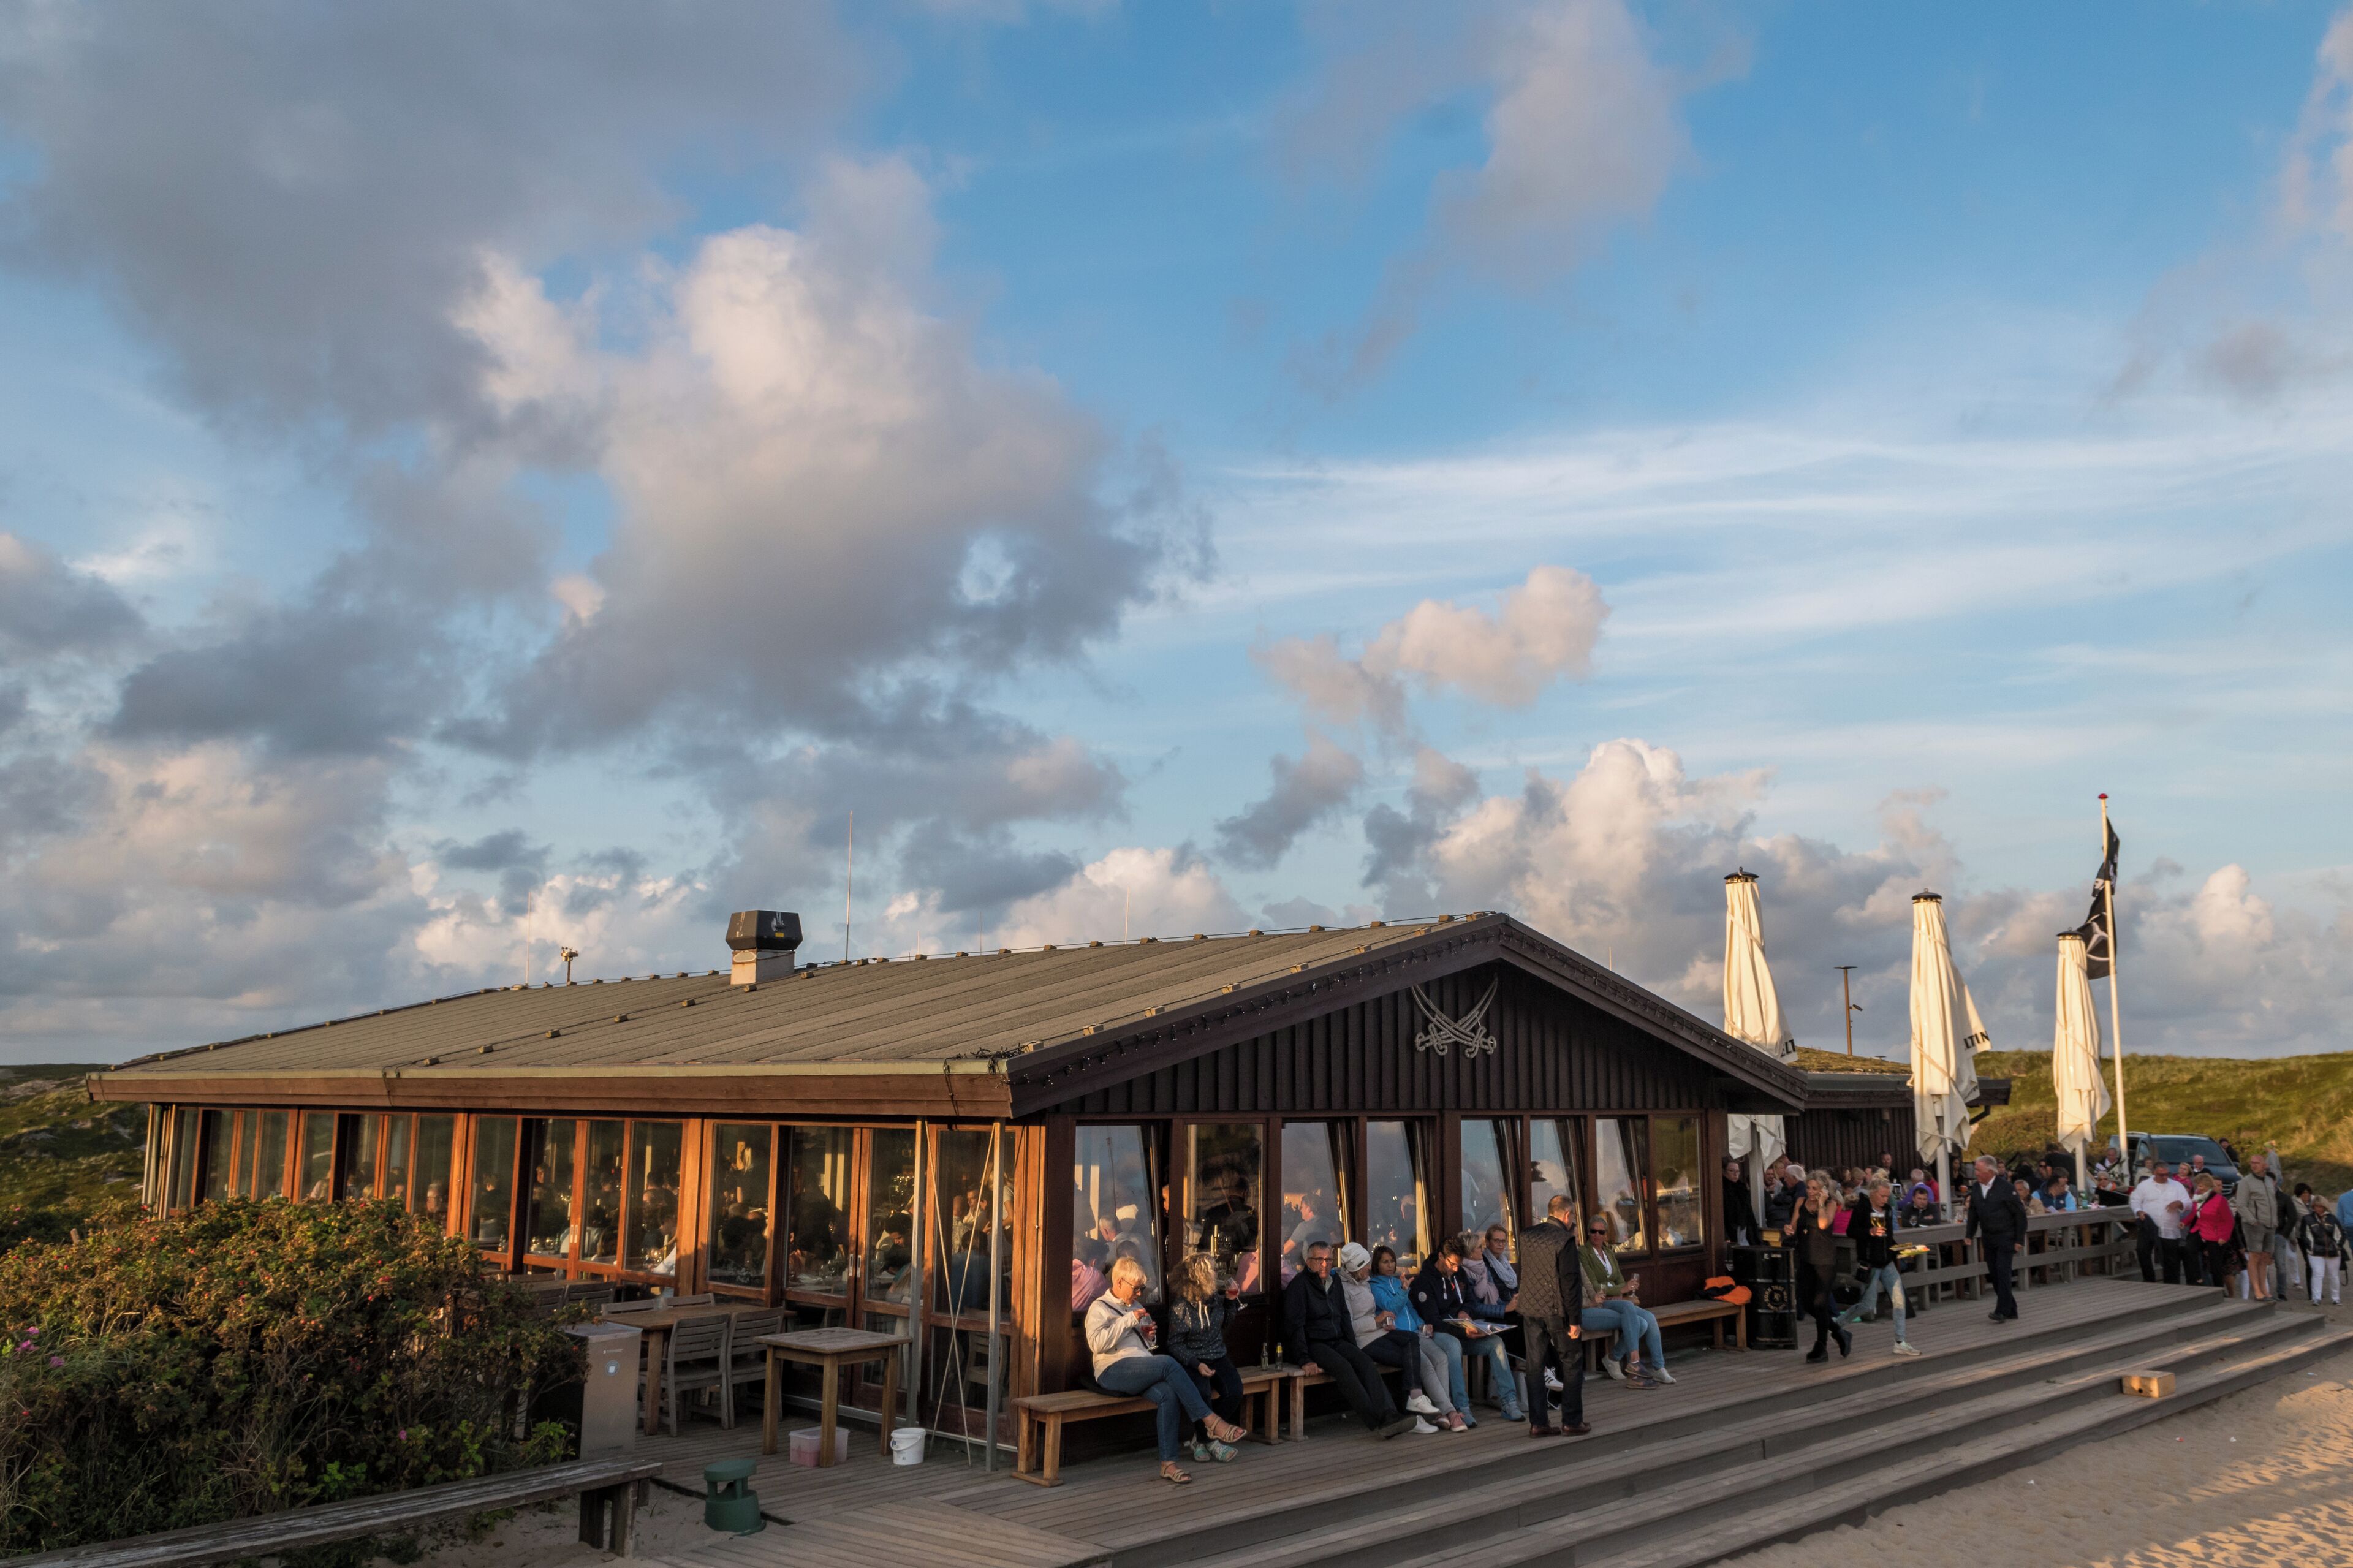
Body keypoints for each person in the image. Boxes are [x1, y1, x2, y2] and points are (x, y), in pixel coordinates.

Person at [1087, 1256, 1249, 1484]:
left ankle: (1169, 1464)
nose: (1140, 1294)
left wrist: (1148, 1336)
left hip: (1140, 1366)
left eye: (1142, 1288)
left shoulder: (1137, 1307)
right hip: (1112, 1370)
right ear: (1120, 1282)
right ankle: (1210, 1421)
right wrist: (1127, 1322)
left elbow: (1147, 1346)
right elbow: (1096, 1345)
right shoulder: (1100, 1308)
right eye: (1136, 1288)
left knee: (1168, 1395)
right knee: (1167, 1363)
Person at [1284, 1241, 1417, 1439]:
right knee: (1344, 1368)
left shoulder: (1334, 1282)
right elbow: (1296, 1326)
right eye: (1319, 1260)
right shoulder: (1299, 1286)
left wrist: (1353, 1347)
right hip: (1315, 1343)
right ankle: (1376, 1422)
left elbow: (1344, 1316)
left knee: (1363, 1361)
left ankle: (1389, 1413)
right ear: (1308, 1261)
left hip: (1337, 1339)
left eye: (1328, 1259)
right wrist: (1304, 1359)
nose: (1324, 1264)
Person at [1408, 1238, 1525, 1422]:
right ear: (1441, 1256)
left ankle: (1509, 1402)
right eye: (1452, 1264)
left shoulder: (1460, 1274)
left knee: (1497, 1344)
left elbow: (1471, 1302)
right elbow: (1433, 1320)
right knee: (1454, 1346)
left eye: (1459, 1264)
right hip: (1440, 1334)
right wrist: (1464, 1332)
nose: (1455, 1269)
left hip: (1464, 1328)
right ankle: (1462, 1406)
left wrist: (1465, 1311)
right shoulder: (1424, 1282)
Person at [1336, 1242, 1444, 1433]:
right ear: (1353, 1269)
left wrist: (1383, 1321)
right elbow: (1349, 1327)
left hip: (1378, 1332)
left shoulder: (1363, 1282)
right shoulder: (1343, 1290)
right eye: (1364, 1266)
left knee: (1411, 1340)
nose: (1368, 1269)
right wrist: (1377, 1320)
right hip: (1363, 1341)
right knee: (1408, 1359)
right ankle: (1412, 1417)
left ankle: (1415, 1398)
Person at [1370, 1244, 1472, 1428]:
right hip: (1400, 1337)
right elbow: (1390, 1307)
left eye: (1393, 1261)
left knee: (1441, 1358)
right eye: (1385, 1262)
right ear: (1376, 1265)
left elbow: (1410, 1308)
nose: (1390, 1265)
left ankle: (1441, 1411)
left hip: (1416, 1333)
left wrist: (1421, 1324)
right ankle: (1449, 1412)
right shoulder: (1374, 1286)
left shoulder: (1397, 1282)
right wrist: (1403, 1290)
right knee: (1425, 1364)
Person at [1514, 1193, 1589, 1437]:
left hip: (1530, 1309)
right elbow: (1570, 1284)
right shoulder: (1565, 1241)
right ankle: (1572, 1421)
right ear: (1567, 1215)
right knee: (1572, 1362)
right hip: (1558, 1312)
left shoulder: (1526, 1236)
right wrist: (1575, 1321)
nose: (1573, 1220)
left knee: (1535, 1366)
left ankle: (1538, 1424)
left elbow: (1524, 1271)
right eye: (1573, 1216)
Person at [1167, 1252, 1246, 1462]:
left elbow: (1225, 1324)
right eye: (1212, 1269)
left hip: (1217, 1355)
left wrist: (1230, 1302)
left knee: (1234, 1392)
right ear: (1199, 1275)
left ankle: (1201, 1439)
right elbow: (1174, 1344)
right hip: (1192, 1359)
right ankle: (1210, 1441)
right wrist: (1196, 1363)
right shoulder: (1181, 1307)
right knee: (1202, 1395)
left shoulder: (1215, 1300)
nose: (1216, 1272)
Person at [1577, 1213, 1672, 1383]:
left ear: (1606, 1235)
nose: (1597, 1235)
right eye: (1593, 1231)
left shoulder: (1609, 1252)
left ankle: (1659, 1367)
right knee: (1639, 1321)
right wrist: (1620, 1290)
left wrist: (1620, 1290)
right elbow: (1593, 1284)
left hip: (1613, 1300)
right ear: (1588, 1233)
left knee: (1649, 1318)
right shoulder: (1583, 1253)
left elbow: (1620, 1279)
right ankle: (1630, 1362)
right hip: (1598, 1301)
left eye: (1601, 1232)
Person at [1838, 1176, 1919, 1357]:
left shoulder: (1889, 1210)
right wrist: (1870, 1231)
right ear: (1873, 1193)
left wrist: (1904, 1252)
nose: (1886, 1199)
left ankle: (1900, 1341)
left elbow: (1889, 1239)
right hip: (1870, 1263)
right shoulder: (1862, 1209)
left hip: (1887, 1261)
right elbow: (1851, 1232)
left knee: (1899, 1300)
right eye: (1883, 1196)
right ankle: (1837, 1325)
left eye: (1887, 1196)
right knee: (1867, 1305)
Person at [1789, 1172, 1852, 1362]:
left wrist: (1822, 1202)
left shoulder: (1831, 1203)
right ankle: (1839, 1332)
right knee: (1806, 1303)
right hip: (1806, 1258)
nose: (1811, 1192)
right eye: (1809, 1187)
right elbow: (1793, 1225)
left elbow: (1824, 1224)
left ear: (1823, 1189)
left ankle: (1821, 1347)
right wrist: (1789, 1229)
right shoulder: (1801, 1202)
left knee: (1820, 1304)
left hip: (1825, 1259)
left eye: (1815, 1188)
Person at [1966, 1154, 2028, 1322]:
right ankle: (2012, 1309)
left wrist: (2019, 1240)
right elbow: (1973, 1211)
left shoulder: (2006, 1188)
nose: (1975, 1173)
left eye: (1978, 1170)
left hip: (2006, 1237)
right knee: (1994, 1274)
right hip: (1988, 1237)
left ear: (1990, 1171)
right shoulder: (1977, 1188)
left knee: (2003, 1272)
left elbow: (2020, 1215)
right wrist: (1969, 1234)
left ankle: (2001, 1311)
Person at [2130, 1160, 2191, 1285]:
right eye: (2161, 1175)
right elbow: (2135, 1200)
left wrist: (2180, 1203)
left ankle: (2172, 1283)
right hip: (2149, 1224)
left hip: (2169, 1227)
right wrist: (2138, 1211)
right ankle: (2149, 1279)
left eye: (2167, 1175)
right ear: (2154, 1173)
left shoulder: (2177, 1186)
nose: (2165, 1177)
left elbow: (2189, 1203)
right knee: (2142, 1251)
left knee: (2170, 1257)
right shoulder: (2145, 1185)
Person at [2232, 1154, 2279, 1301]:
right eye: (2252, 1163)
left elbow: (2272, 1202)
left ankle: (2265, 1290)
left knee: (2266, 1257)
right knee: (2255, 1256)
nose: (2254, 1165)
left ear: (2265, 1165)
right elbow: (2241, 1205)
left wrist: (2275, 1220)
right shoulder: (2246, 1182)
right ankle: (2257, 1291)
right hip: (2254, 1224)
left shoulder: (2269, 1180)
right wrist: (2252, 1220)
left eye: (2257, 1163)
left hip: (2270, 1224)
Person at [2289, 1188, 2344, 1305]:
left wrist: (2338, 1246)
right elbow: (2304, 1235)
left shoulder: (2332, 1219)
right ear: (2313, 1207)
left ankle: (2336, 1298)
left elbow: (2341, 1234)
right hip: (2315, 1252)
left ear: (2325, 1207)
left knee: (2334, 1276)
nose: (2318, 1209)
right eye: (2316, 1206)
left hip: (2333, 1251)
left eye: (2321, 1206)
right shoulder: (2308, 1219)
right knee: (2318, 1274)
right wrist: (2311, 1247)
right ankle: (2316, 1298)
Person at [2187, 1172, 2236, 1290]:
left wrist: (2224, 1237)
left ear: (2209, 1186)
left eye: (2202, 1186)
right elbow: (2195, 1214)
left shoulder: (2220, 1200)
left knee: (2215, 1265)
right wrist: (2185, 1221)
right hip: (2202, 1230)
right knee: (2190, 1249)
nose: (2199, 1188)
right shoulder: (2198, 1198)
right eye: (2198, 1186)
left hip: (2216, 1234)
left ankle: (2218, 1289)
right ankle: (2198, 1277)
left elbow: (2229, 1221)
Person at [1724, 1159, 1760, 1247]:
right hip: (1731, 1228)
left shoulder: (1741, 1188)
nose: (1736, 1174)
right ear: (1724, 1171)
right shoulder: (1722, 1188)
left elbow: (1748, 1210)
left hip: (1744, 1226)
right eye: (1732, 1171)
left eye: (1738, 1171)